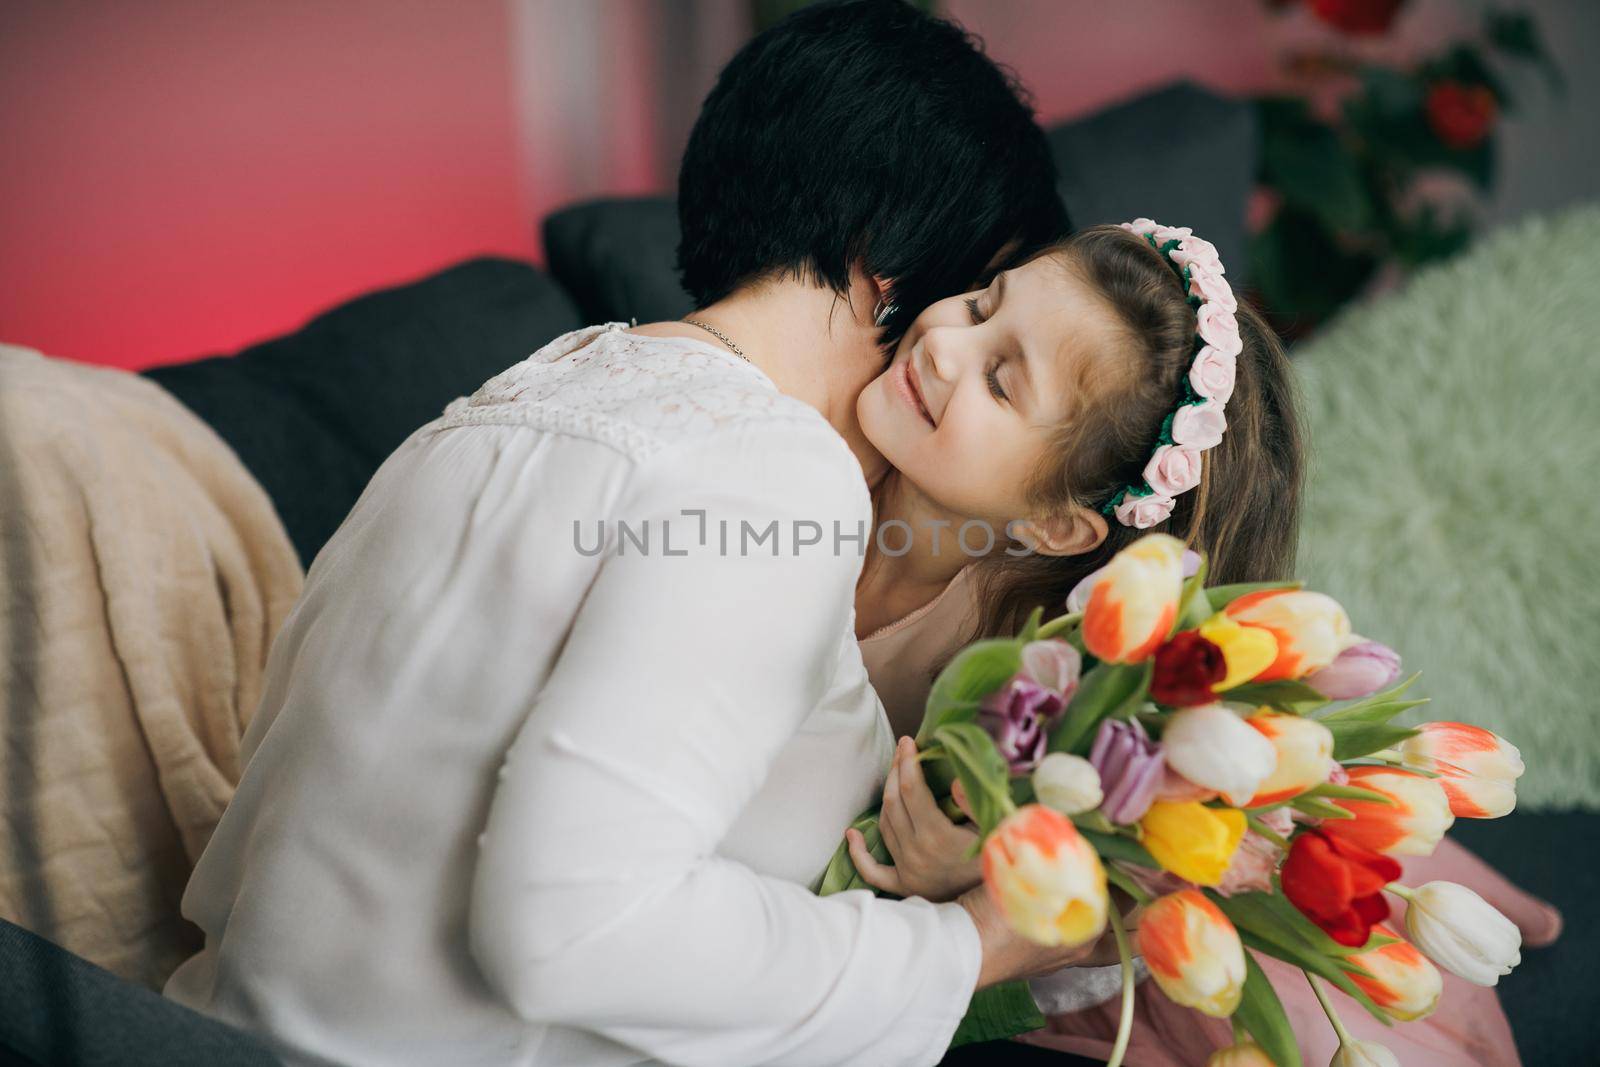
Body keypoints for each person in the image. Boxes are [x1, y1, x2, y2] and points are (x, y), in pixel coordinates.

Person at [162, 3, 1117, 1065]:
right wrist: (967, 945)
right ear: (894, 259)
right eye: (979, 292)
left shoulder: (506, 402)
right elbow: (574, 928)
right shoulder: (770, 470)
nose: (952, 337)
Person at [840, 222, 1560, 1064]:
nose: (942, 344)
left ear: (1057, 523)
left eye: (1001, 382)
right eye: (978, 303)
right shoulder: (825, 451)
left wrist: (968, 875)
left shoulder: (1041, 664)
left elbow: (1104, 899)